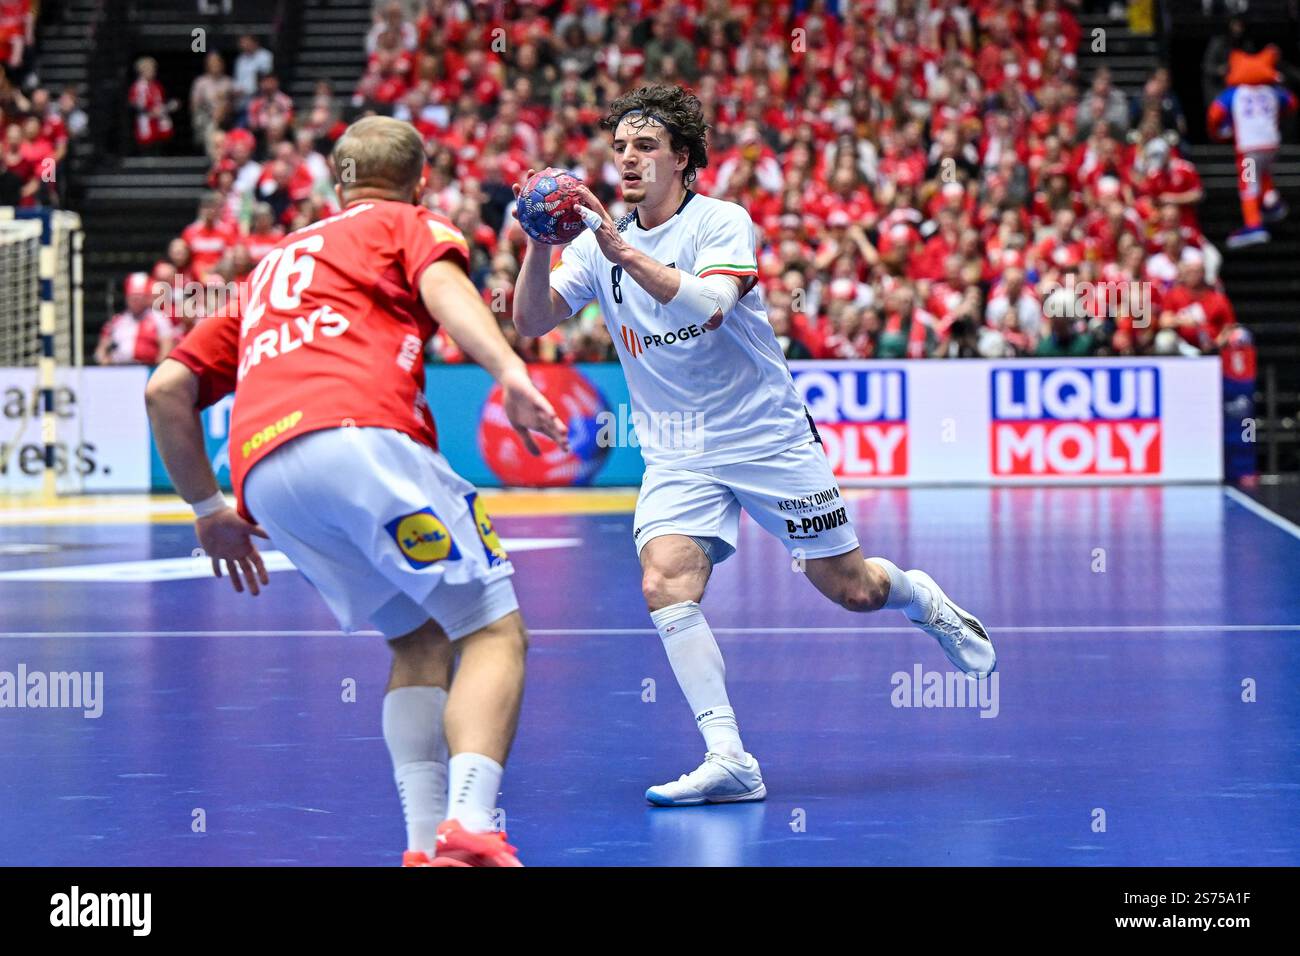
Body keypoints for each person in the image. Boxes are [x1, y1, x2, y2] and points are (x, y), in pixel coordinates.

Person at [511, 85, 995, 807]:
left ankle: (920, 597)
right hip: (677, 447)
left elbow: (707, 305)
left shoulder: (721, 222)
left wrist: (624, 253)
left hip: (763, 433)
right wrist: (536, 246)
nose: (629, 160)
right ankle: (728, 756)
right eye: (620, 149)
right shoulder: (593, 245)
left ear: (682, 158)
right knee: (664, 583)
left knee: (852, 589)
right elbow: (532, 320)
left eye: (646, 146)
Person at [145, 116, 568, 866]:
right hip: (362, 438)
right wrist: (509, 372)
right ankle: (470, 821)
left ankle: (420, 844)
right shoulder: (409, 223)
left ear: (336, 184)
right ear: (422, 180)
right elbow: (445, 292)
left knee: (417, 637)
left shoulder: (267, 268)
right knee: (494, 630)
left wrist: (207, 509)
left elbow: (166, 389)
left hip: (263, 477)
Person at [96, 272, 177, 365]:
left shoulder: (160, 319)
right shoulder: (117, 321)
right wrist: (104, 361)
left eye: (139, 298)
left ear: (147, 298)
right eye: (132, 298)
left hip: (147, 368)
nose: (136, 302)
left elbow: (166, 348)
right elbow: (101, 350)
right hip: (118, 369)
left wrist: (158, 369)